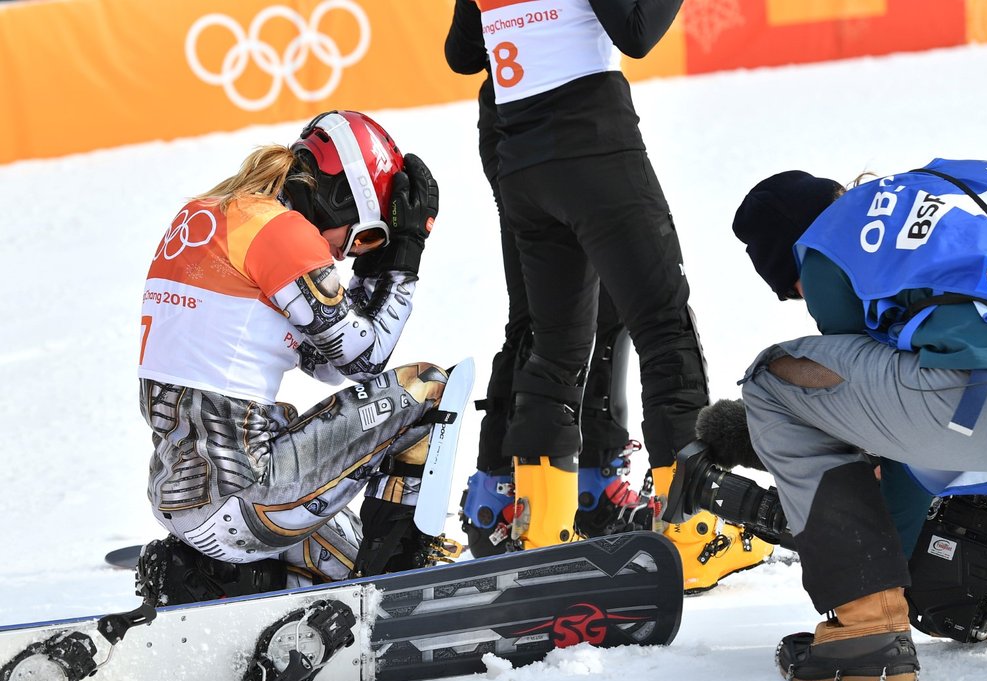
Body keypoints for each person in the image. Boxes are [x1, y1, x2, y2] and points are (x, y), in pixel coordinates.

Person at [466, 0, 771, 590]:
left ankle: (543, 529)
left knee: (554, 348)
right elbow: (636, 31)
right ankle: (693, 534)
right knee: (664, 329)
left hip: (521, 155)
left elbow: (461, 52)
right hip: (593, 143)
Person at [724, 158, 987, 681]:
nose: (807, 299)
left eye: (797, 289)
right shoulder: (958, 192)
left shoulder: (828, 240)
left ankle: (866, 633)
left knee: (776, 381)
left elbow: (879, 428)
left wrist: (886, 560)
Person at [136, 110, 446, 606]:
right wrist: (404, 254)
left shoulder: (210, 216)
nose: (350, 255)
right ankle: (404, 577)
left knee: (345, 571)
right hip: (251, 494)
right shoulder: (281, 231)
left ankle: (223, 580)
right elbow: (363, 360)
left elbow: (328, 364)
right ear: (344, 194)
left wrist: (377, 262)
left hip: (186, 498)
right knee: (428, 386)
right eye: (364, 236)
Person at [444, 0, 651, 558]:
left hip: (511, 127)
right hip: (561, 125)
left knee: (549, 309)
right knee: (577, 309)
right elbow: (637, 30)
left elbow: (461, 54)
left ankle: (502, 490)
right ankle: (582, 485)